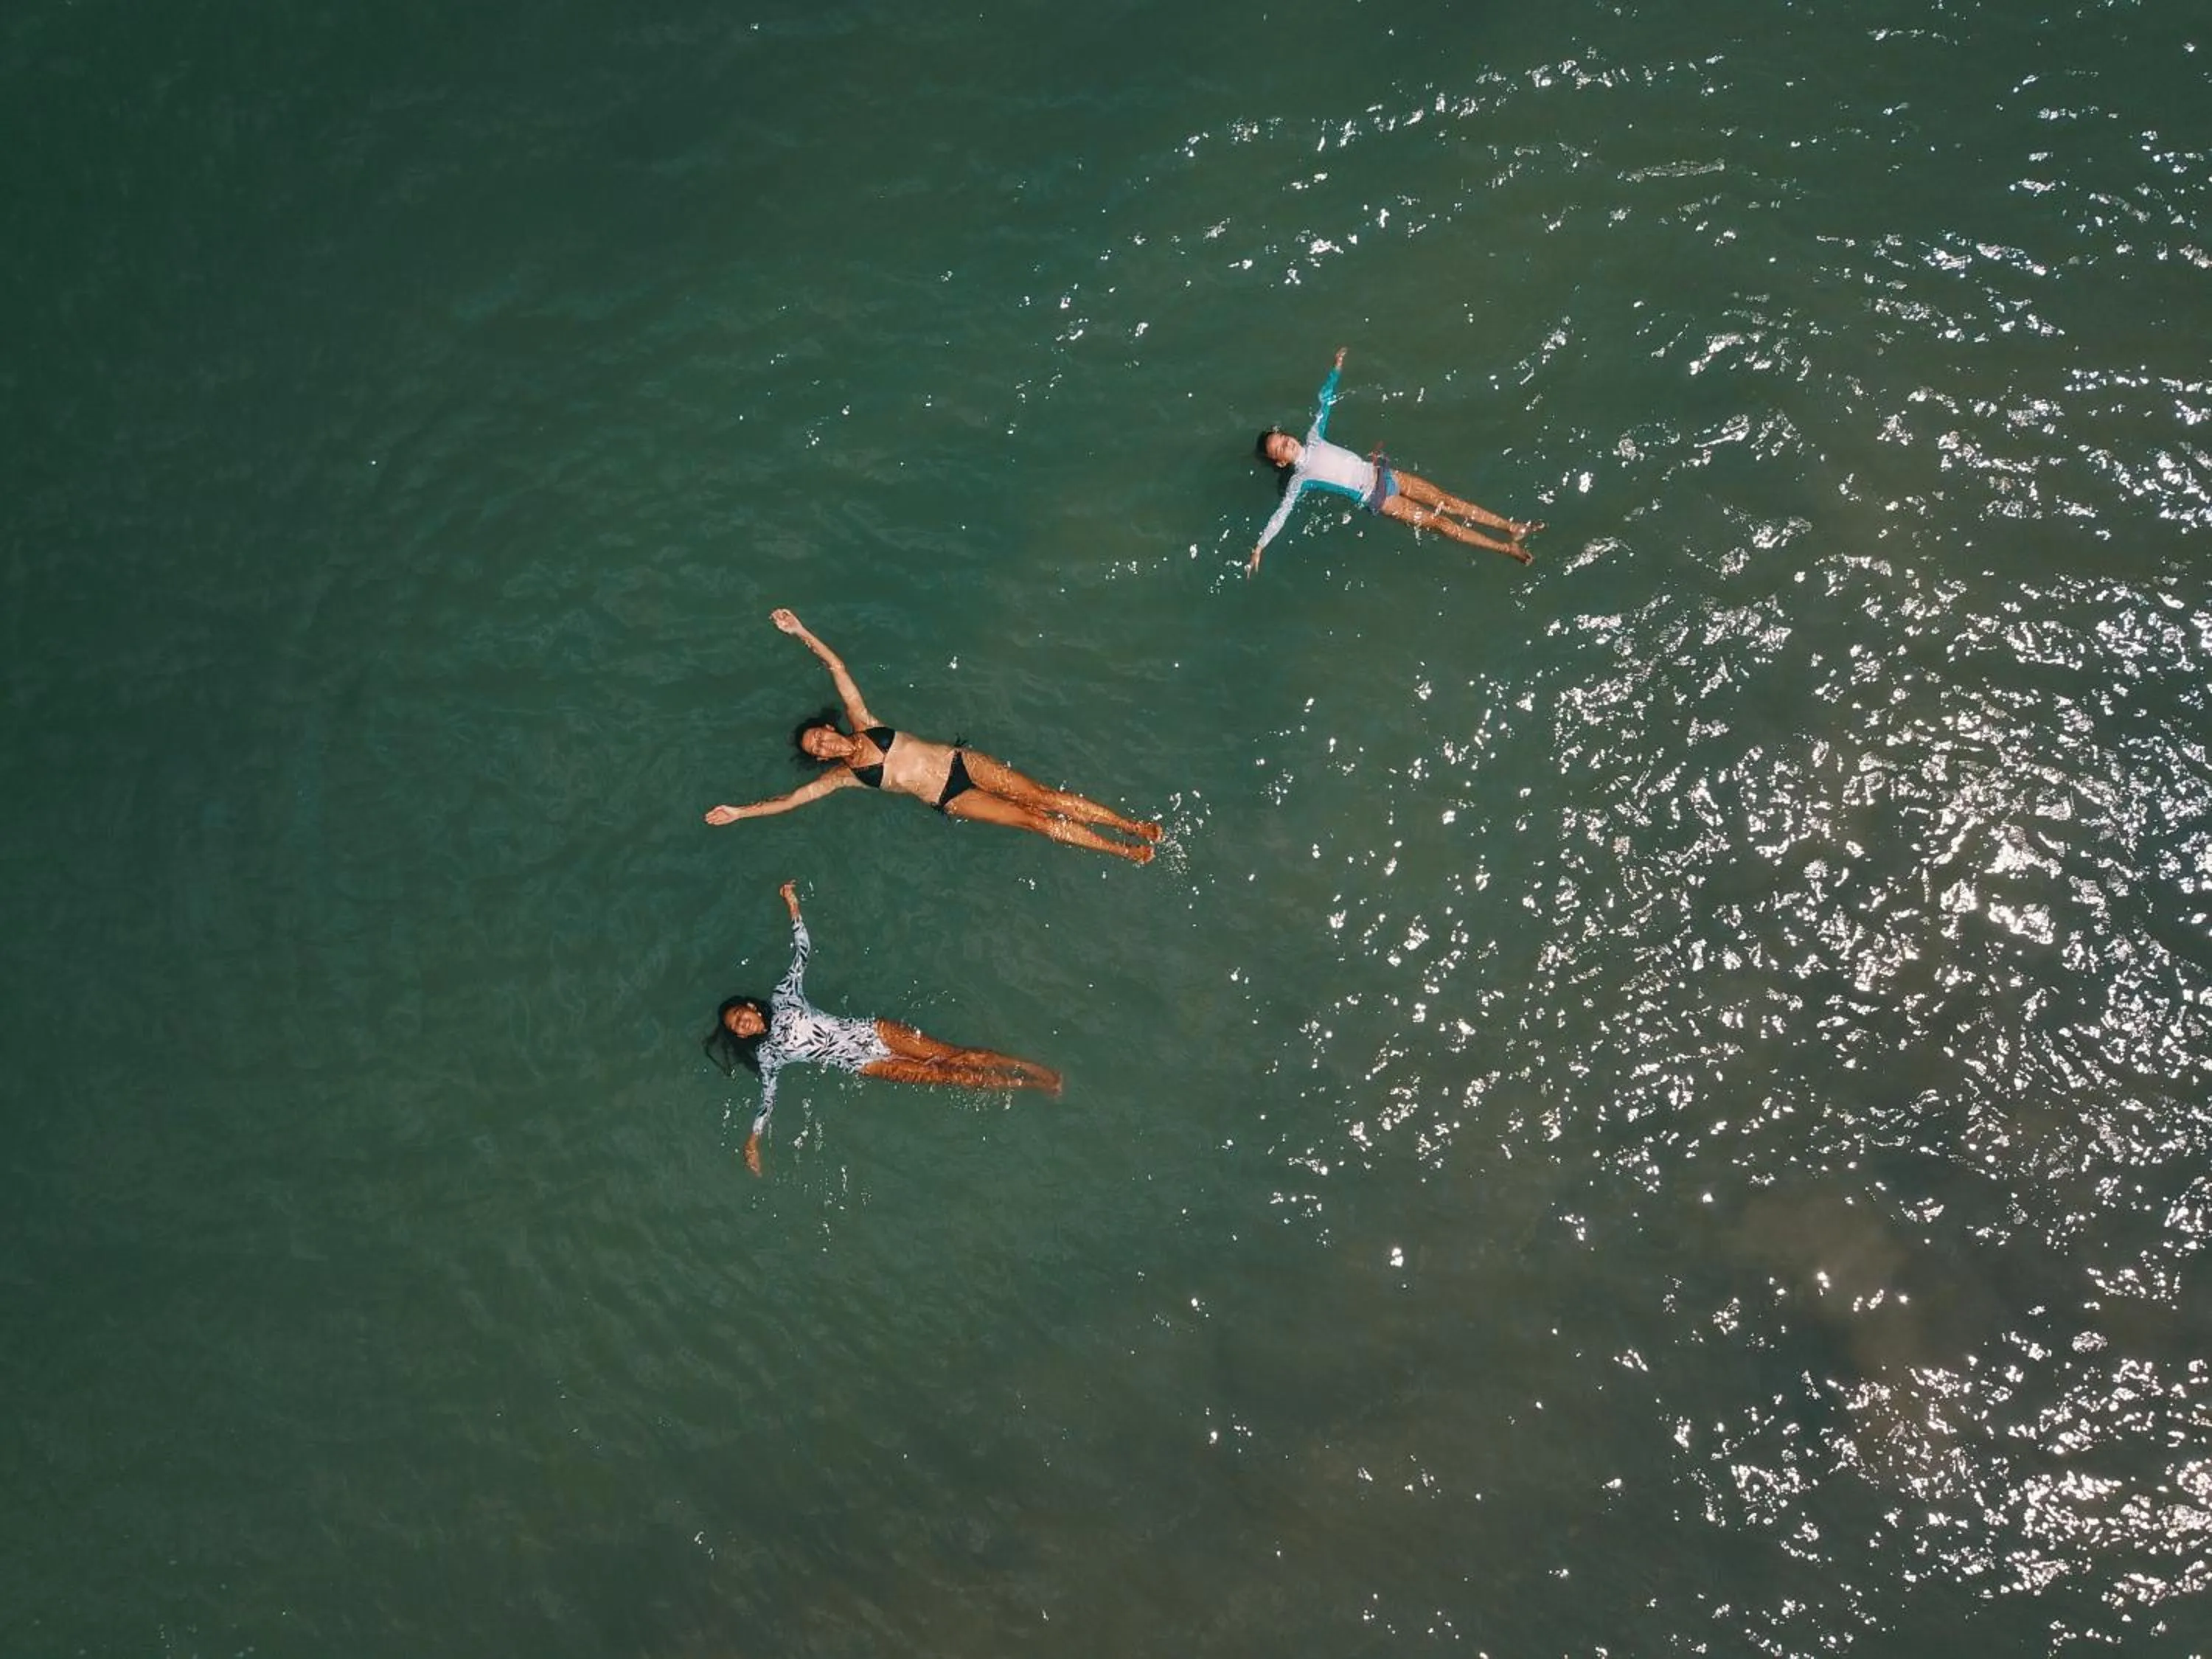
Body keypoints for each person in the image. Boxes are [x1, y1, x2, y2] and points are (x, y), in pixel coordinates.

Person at [703, 608, 1161, 864]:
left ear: (828, 728)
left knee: (1043, 797)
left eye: (818, 737)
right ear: (823, 760)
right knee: (1034, 821)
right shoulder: (844, 777)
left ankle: (1131, 825)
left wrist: (801, 631)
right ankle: (1123, 850)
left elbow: (836, 667)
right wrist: (740, 812)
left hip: (961, 763)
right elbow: (790, 800)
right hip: (950, 797)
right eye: (816, 751)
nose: (822, 746)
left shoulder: (863, 721)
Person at [705, 880, 1062, 1173]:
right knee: (949, 1077)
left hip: (874, 1032)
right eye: (737, 1028)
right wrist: (754, 1140)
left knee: (955, 1056)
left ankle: (1032, 1068)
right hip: (866, 1064)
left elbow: (802, 954)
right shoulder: (768, 1055)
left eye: (739, 1015)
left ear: (750, 1006)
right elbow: (767, 1098)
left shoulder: (783, 996)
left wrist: (793, 907)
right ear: (741, 1035)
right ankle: (1026, 1084)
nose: (742, 1024)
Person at [1248, 347, 1540, 574]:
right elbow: (1282, 513)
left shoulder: (1314, 438)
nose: (1286, 442)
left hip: (1385, 473)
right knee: (1442, 524)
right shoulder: (1300, 480)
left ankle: (1510, 526)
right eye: (1280, 448)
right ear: (1280, 462)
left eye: (1283, 437)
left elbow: (1324, 403)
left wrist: (1335, 370)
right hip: (1380, 498)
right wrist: (1260, 546)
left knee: (1446, 500)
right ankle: (1506, 549)